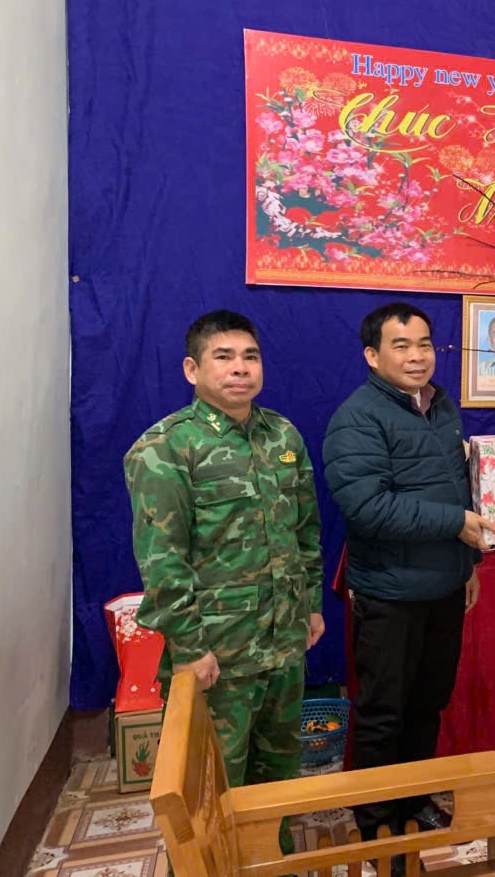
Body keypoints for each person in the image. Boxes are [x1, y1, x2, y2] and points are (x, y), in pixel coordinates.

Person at [125, 310, 324, 801]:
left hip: (284, 642)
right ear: (192, 369)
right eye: (224, 357)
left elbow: (305, 532)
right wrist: (189, 648)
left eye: (250, 357)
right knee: (211, 787)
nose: (240, 368)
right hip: (218, 654)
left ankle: (272, 848)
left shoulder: (283, 436)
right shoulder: (165, 448)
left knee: (278, 778)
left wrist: (312, 605)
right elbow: (162, 562)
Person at [324, 302, 495, 849]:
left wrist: (469, 566)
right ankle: (378, 823)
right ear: (372, 356)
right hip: (389, 593)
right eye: (401, 346)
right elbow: (367, 509)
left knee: (428, 703)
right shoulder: (357, 418)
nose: (417, 356)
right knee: (383, 713)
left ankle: (414, 799)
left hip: (444, 588)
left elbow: (458, 487)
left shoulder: (440, 406)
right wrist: (456, 524)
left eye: (424, 344)